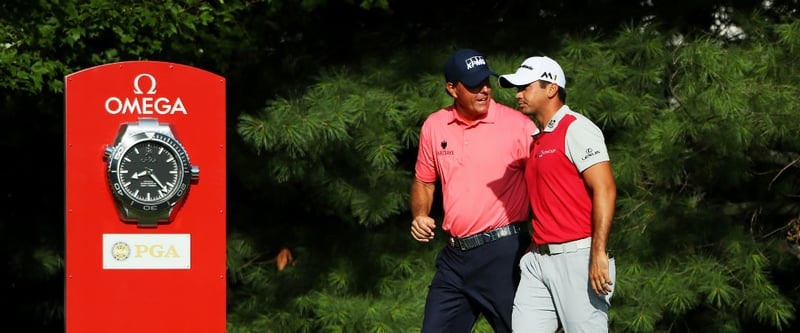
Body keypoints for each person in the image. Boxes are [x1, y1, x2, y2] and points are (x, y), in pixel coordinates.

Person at [410, 48, 536, 333]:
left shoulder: (519, 126)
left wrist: (541, 240)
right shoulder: (434, 125)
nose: (484, 91)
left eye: (486, 83)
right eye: (474, 85)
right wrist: (420, 214)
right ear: (452, 88)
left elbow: (544, 185)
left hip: (504, 255)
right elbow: (423, 181)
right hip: (455, 259)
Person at [498, 56, 617, 332]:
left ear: (551, 88)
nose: (518, 94)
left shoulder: (576, 128)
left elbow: (605, 188)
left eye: (525, 87)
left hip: (578, 258)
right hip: (539, 262)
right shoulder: (537, 140)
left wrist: (598, 252)